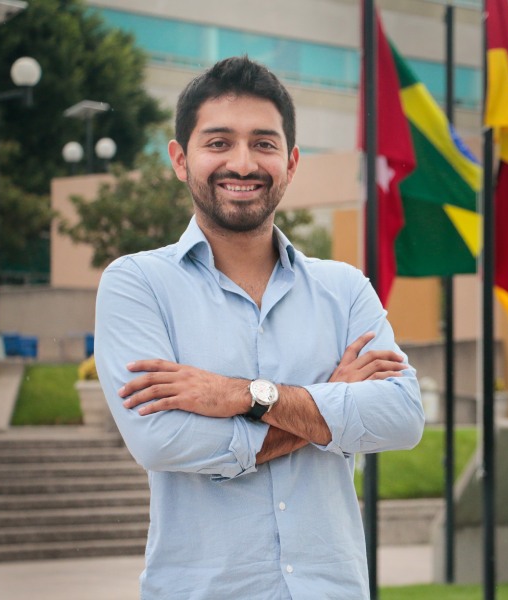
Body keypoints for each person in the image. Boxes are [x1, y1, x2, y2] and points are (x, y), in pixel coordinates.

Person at [94, 56, 425, 599]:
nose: (243, 163)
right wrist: (329, 409)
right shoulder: (138, 284)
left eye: (264, 144)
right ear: (181, 159)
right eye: (219, 143)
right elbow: (163, 441)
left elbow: (402, 418)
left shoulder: (344, 289)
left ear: (291, 162)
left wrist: (242, 395)